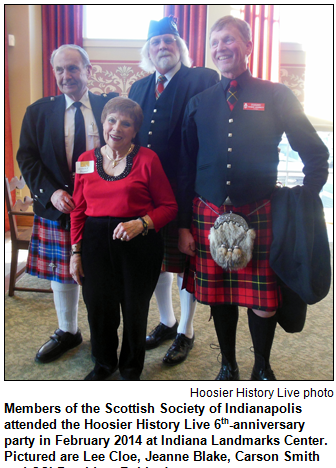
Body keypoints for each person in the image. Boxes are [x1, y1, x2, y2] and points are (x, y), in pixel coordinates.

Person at [177, 16, 329, 381]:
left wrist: (304, 202)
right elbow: (185, 168)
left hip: (261, 211)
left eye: (228, 40)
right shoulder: (199, 102)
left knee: (263, 299)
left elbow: (315, 153)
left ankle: (262, 364)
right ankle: (227, 364)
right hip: (207, 214)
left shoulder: (276, 95)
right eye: (214, 43)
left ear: (248, 45)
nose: (220, 48)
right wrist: (183, 224)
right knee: (217, 296)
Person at [17, 44, 118, 364]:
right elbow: (27, 158)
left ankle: (104, 337)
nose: (66, 76)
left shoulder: (109, 107)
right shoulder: (38, 111)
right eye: (59, 70)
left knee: (102, 274)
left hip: (103, 209)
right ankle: (67, 330)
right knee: (62, 271)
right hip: (58, 207)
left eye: (73, 68)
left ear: (89, 70)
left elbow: (126, 149)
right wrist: (50, 194)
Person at [128, 16, 219, 366]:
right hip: (145, 193)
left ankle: (186, 329)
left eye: (168, 41)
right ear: (148, 51)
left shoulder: (202, 78)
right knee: (157, 262)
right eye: (156, 42)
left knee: (184, 264)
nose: (162, 47)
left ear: (179, 47)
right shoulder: (137, 87)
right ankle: (166, 322)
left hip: (187, 189)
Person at [70, 97, 178, 381]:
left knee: (134, 310)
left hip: (138, 246)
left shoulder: (147, 159)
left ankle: (131, 369)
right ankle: (103, 365)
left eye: (126, 123)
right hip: (94, 245)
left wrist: (141, 223)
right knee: (98, 309)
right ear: (103, 123)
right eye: (112, 121)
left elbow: (169, 207)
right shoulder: (84, 161)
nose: (117, 128)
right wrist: (76, 252)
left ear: (134, 130)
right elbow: (78, 209)